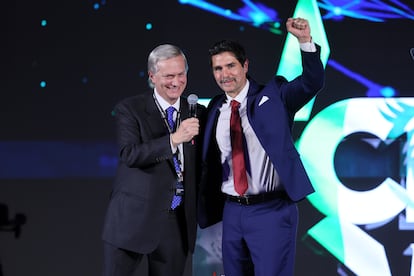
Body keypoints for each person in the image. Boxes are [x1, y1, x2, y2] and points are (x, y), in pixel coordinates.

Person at [197, 17, 325, 276]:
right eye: (218, 68)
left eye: (231, 65)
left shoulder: (275, 95)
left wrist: (304, 41)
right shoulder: (213, 109)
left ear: (245, 65)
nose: (225, 75)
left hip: (272, 211)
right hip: (232, 212)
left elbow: (312, 82)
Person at [102, 44, 206, 276]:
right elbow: (130, 154)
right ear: (152, 76)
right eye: (169, 76)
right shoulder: (130, 109)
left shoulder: (197, 112)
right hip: (133, 219)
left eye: (181, 75)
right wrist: (174, 138)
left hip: (175, 222)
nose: (176, 82)